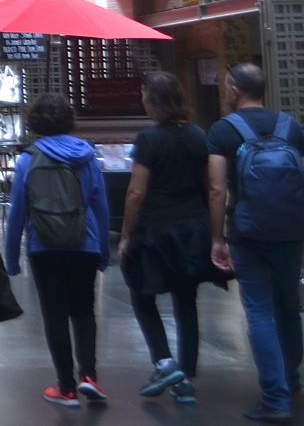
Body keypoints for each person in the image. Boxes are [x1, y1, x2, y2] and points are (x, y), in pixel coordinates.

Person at [207, 61, 304, 423]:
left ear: (234, 89)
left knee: (260, 311)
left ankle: (274, 397)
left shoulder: (223, 131)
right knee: (288, 307)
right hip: (291, 231)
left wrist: (217, 237)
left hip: (248, 233)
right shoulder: (291, 126)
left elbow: (217, 189)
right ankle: (291, 381)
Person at [5, 93, 111, 408]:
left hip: (44, 246)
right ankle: (89, 376)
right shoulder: (87, 156)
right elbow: (100, 205)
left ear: (34, 121)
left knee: (55, 314)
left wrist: (11, 257)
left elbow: (17, 212)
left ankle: (65, 387)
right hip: (85, 242)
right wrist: (103, 249)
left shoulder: (28, 159)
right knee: (83, 310)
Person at [119, 71, 217, 406]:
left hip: (155, 230)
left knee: (142, 296)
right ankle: (186, 378)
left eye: (145, 94)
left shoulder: (147, 140)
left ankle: (163, 361)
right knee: (186, 302)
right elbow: (210, 185)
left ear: (153, 99)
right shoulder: (198, 135)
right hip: (192, 228)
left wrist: (126, 235)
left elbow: (136, 192)